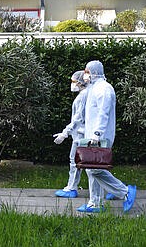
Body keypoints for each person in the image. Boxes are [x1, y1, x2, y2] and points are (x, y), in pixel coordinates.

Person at [77, 60, 137, 213]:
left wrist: (97, 133)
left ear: (94, 72)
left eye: (87, 71)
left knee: (94, 169)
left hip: (100, 135)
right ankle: (95, 203)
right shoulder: (94, 88)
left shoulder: (104, 89)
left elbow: (104, 113)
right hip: (93, 134)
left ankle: (125, 192)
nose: (85, 75)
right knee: (91, 167)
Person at [53, 70, 88, 198]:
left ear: (80, 81)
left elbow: (78, 119)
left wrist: (64, 133)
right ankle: (71, 187)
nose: (72, 83)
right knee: (86, 164)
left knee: (80, 163)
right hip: (80, 134)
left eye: (74, 81)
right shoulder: (83, 95)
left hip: (81, 134)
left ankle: (120, 190)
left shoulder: (83, 96)